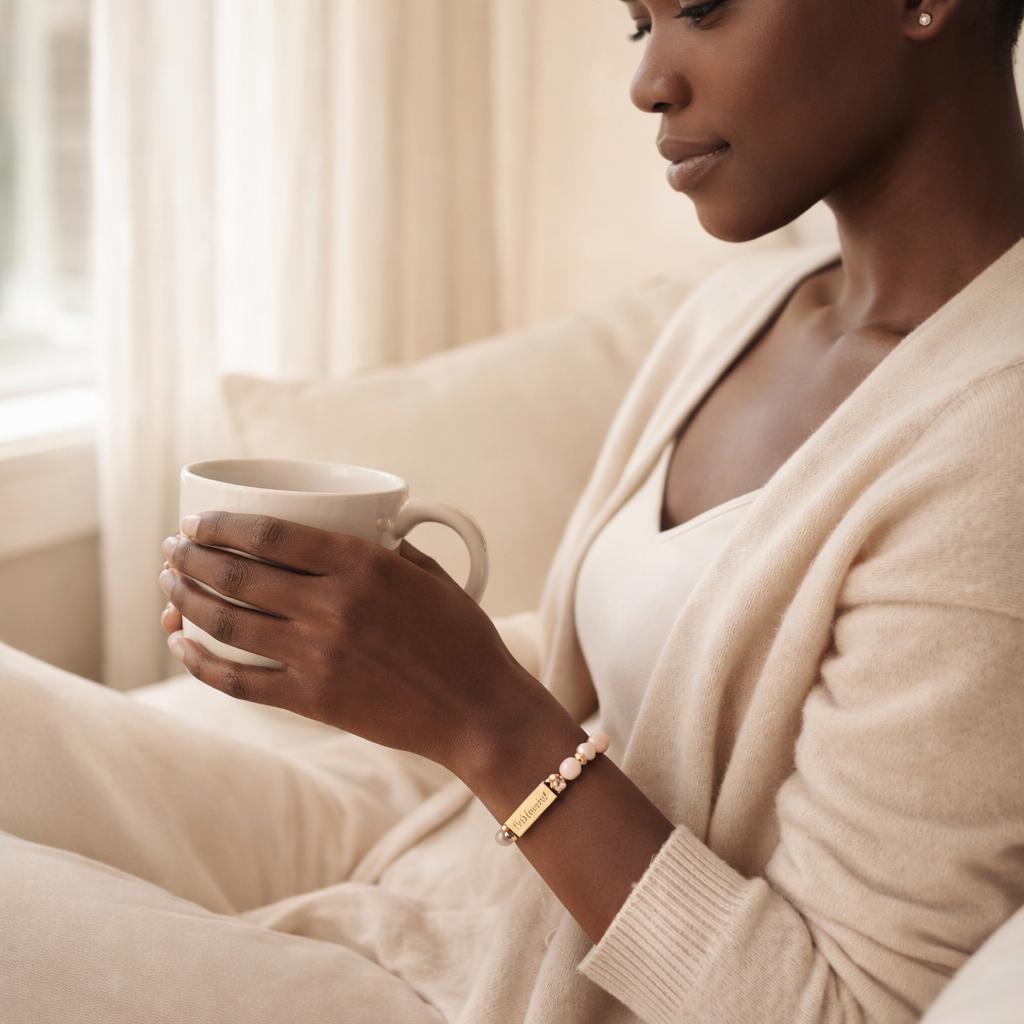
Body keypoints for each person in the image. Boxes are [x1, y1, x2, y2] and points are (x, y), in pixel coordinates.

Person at [2, 0, 1022, 1021]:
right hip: (440, 871)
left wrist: (479, 715)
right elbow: (610, 673)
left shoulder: (992, 447)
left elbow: (850, 1008)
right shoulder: (743, 304)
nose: (648, 82)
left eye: (703, 10)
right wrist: (383, 652)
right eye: (639, 25)